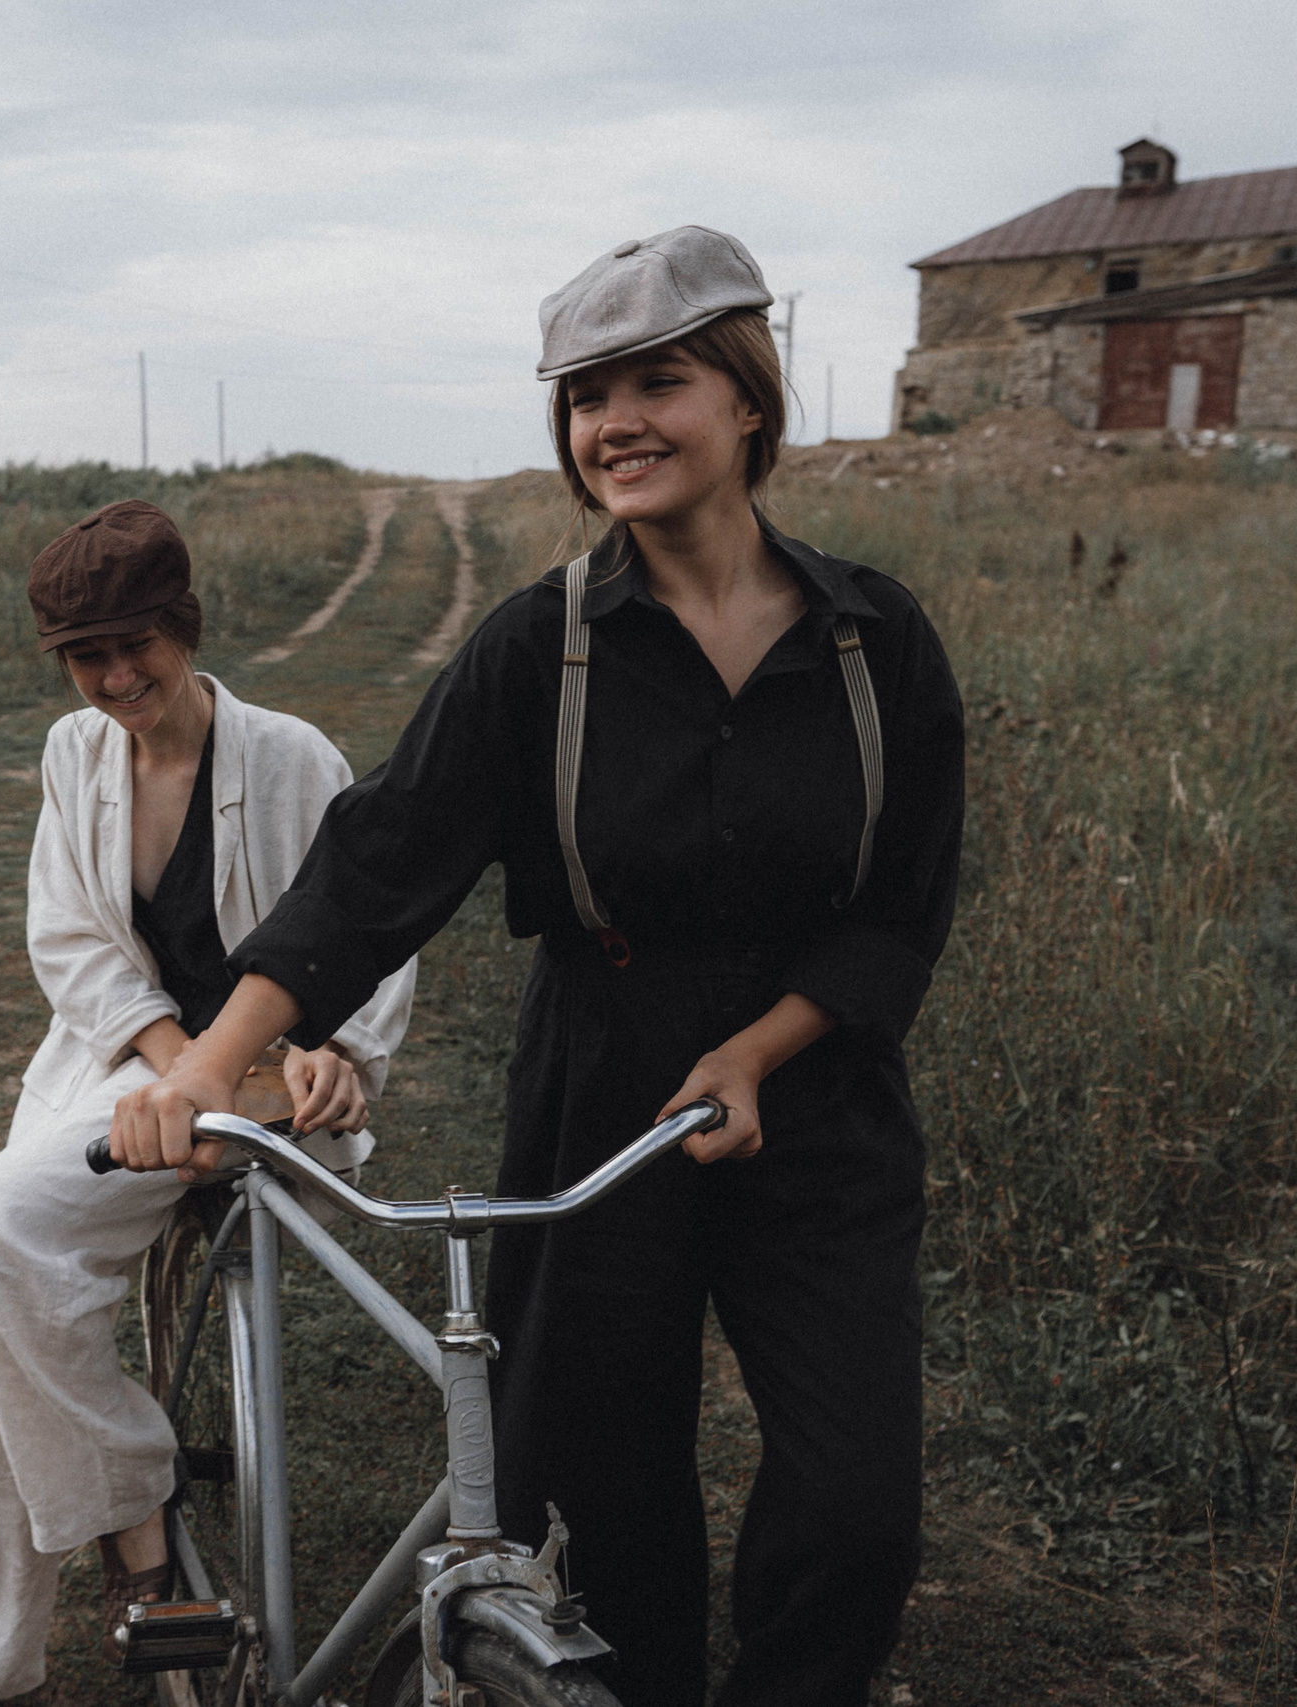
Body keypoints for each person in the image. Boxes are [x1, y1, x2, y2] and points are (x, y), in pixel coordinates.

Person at [111, 229, 966, 1706]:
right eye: (584, 396)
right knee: (609, 1486)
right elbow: (373, 870)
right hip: (603, 1078)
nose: (614, 422)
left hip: (817, 1091)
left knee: (856, 1504)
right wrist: (202, 1070)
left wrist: (759, 1052)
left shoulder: (873, 642)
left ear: (748, 397)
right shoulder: (540, 651)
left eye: (656, 380)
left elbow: (901, 908)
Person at [0, 500, 416, 1707]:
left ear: (183, 625)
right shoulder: (74, 753)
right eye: (85, 656)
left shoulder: (291, 758)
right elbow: (72, 942)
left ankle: (10, 1644)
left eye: (134, 644)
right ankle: (71, 1579)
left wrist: (336, 1050)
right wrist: (179, 1062)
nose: (115, 678)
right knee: (4, 1322)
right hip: (133, 1068)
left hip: (272, 1085)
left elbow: (366, 926)